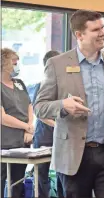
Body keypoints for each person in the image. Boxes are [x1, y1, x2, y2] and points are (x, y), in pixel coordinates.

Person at [34, 10, 104, 198]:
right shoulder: (57, 64)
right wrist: (63, 105)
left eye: (102, 27)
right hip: (73, 155)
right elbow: (40, 107)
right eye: (96, 29)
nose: (102, 32)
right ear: (79, 35)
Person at [1, 48, 34, 198]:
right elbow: (2, 117)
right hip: (4, 143)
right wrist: (26, 126)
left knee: (18, 182)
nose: (16, 65)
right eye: (14, 62)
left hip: (22, 143)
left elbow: (29, 106)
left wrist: (29, 130)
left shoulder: (19, 83)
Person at [32, 50, 63, 198]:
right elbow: (39, 113)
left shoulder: (64, 85)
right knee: (41, 173)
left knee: (62, 174)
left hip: (62, 138)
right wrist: (57, 125)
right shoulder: (42, 85)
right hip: (44, 136)